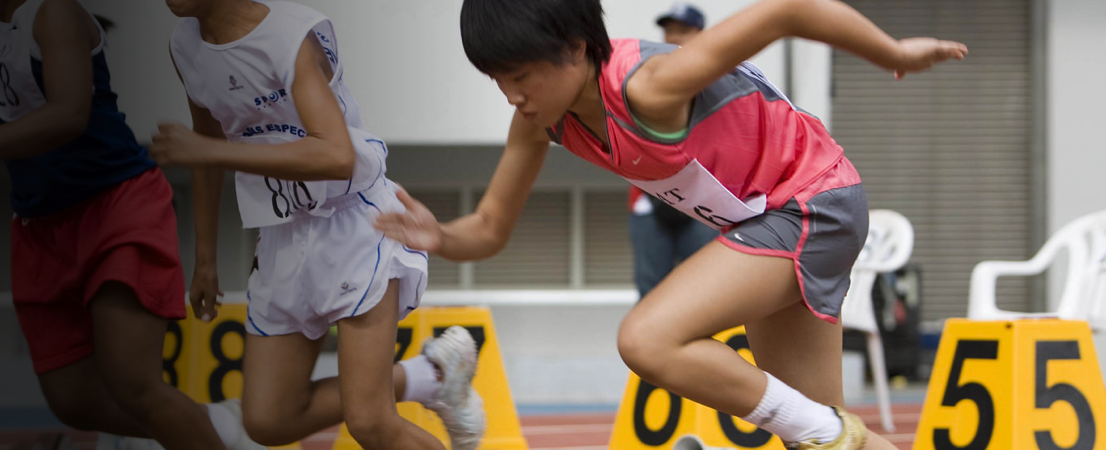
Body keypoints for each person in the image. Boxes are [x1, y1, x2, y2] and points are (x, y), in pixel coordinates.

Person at [376, 0, 966, 448]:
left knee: (647, 338)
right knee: (817, 429)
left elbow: (788, 11)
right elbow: (490, 226)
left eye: (521, 76)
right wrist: (441, 237)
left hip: (815, 202)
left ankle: (829, 432)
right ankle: (833, 434)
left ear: (577, 47)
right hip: (764, 218)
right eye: (498, 81)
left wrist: (893, 53)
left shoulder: (648, 86)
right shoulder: (544, 121)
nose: (512, 97)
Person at [0, 1, 249, 448]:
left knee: (132, 384)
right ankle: (211, 425)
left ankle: (208, 431)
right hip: (42, 223)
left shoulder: (53, 12)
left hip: (115, 206)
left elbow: (69, 115)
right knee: (73, 402)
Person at [157, 0, 486, 448]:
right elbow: (207, 145)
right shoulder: (185, 47)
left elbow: (335, 155)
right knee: (268, 420)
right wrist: (206, 259)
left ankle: (426, 378)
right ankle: (430, 375)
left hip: (353, 224)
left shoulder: (289, 35)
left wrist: (209, 151)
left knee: (369, 422)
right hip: (280, 233)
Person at [628, 1, 717, 298]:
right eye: (669, 30)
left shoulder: (717, 76)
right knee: (651, 292)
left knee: (706, 293)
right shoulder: (646, 72)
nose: (674, 37)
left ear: (701, 34)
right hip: (650, 199)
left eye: (683, 30)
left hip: (703, 201)